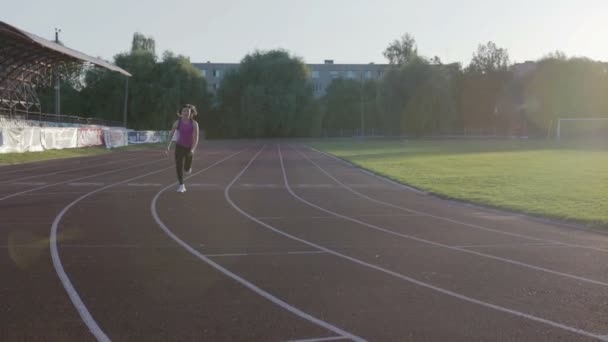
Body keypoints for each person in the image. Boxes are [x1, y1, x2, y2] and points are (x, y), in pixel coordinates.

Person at [166, 104, 200, 193]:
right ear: (181, 112)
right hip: (179, 146)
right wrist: (168, 146)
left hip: (189, 148)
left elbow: (196, 138)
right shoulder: (177, 123)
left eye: (188, 111)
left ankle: (188, 168)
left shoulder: (194, 124)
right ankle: (181, 185)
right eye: (184, 111)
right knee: (178, 165)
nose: (186, 113)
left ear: (191, 113)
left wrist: (192, 149)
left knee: (186, 168)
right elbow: (171, 134)